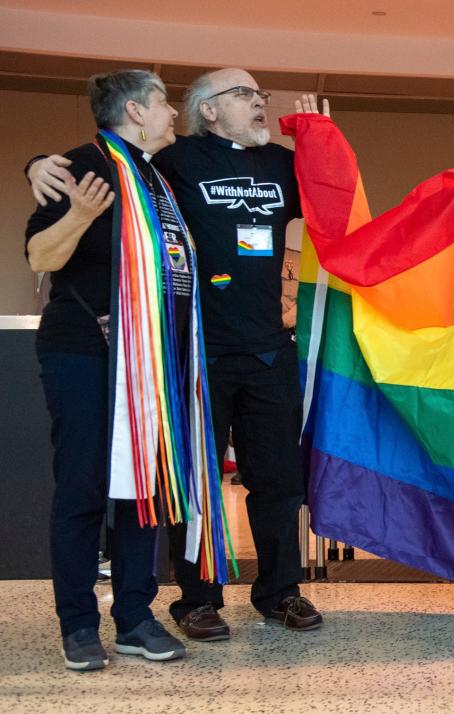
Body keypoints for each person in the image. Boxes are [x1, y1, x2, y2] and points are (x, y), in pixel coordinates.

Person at [29, 69, 325, 641]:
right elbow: (98, 163)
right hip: (189, 357)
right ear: (208, 110)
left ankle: (279, 592)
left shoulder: (270, 165)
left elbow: (338, 200)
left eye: (261, 94)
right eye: (245, 94)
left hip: (266, 349)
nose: (260, 102)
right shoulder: (172, 162)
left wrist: (326, 143)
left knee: (277, 480)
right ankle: (193, 600)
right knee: (190, 482)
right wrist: (38, 162)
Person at [25, 69, 191, 669]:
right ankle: (77, 625)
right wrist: (78, 214)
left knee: (140, 491)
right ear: (134, 111)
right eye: (163, 103)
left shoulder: (158, 177)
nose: (173, 112)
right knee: (84, 488)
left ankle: (136, 619)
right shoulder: (77, 168)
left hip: (147, 361)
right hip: (83, 352)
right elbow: (41, 256)